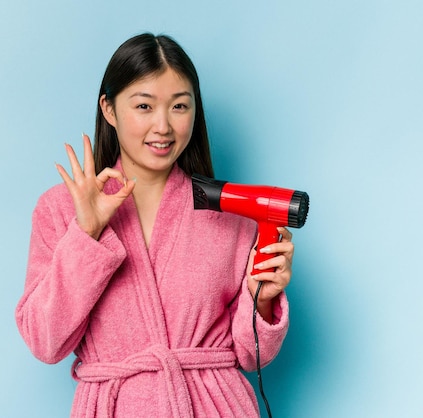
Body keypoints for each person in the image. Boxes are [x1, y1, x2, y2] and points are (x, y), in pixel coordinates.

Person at [15, 33, 295, 417]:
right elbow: (45, 341)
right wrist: (86, 235)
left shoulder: (229, 214)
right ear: (109, 110)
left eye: (179, 106)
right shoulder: (59, 210)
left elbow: (249, 354)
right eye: (144, 106)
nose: (163, 126)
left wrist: (263, 297)